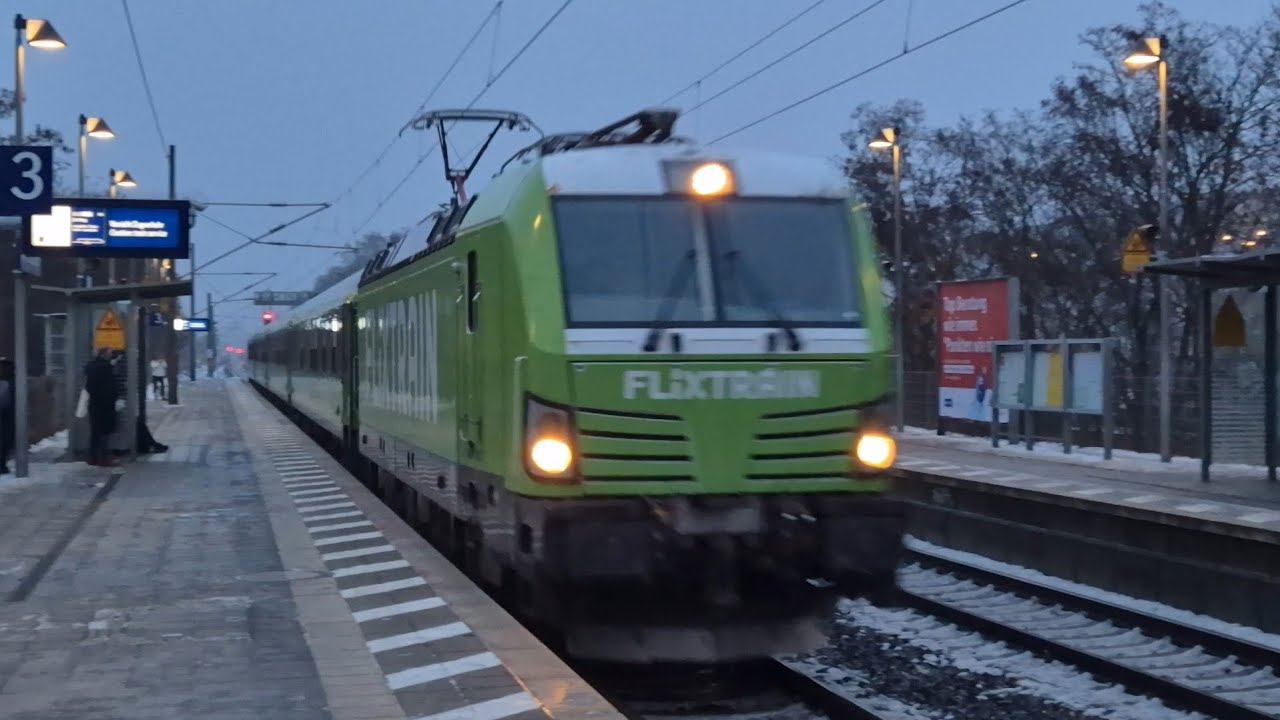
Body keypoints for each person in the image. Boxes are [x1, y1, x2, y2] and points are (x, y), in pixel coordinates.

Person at [85, 347, 119, 467]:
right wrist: (112, 397)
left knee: (96, 432)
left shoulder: (91, 367)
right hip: (105, 404)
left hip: (94, 403)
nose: (112, 355)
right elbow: (110, 386)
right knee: (105, 432)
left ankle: (93, 457)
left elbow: (89, 387)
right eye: (110, 352)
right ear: (104, 354)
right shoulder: (106, 368)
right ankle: (103, 458)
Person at [0, 358, 14, 475]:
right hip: (7, 416)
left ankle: (2, 465)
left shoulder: (8, 382)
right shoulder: (9, 382)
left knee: (5, 442)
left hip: (6, 416)